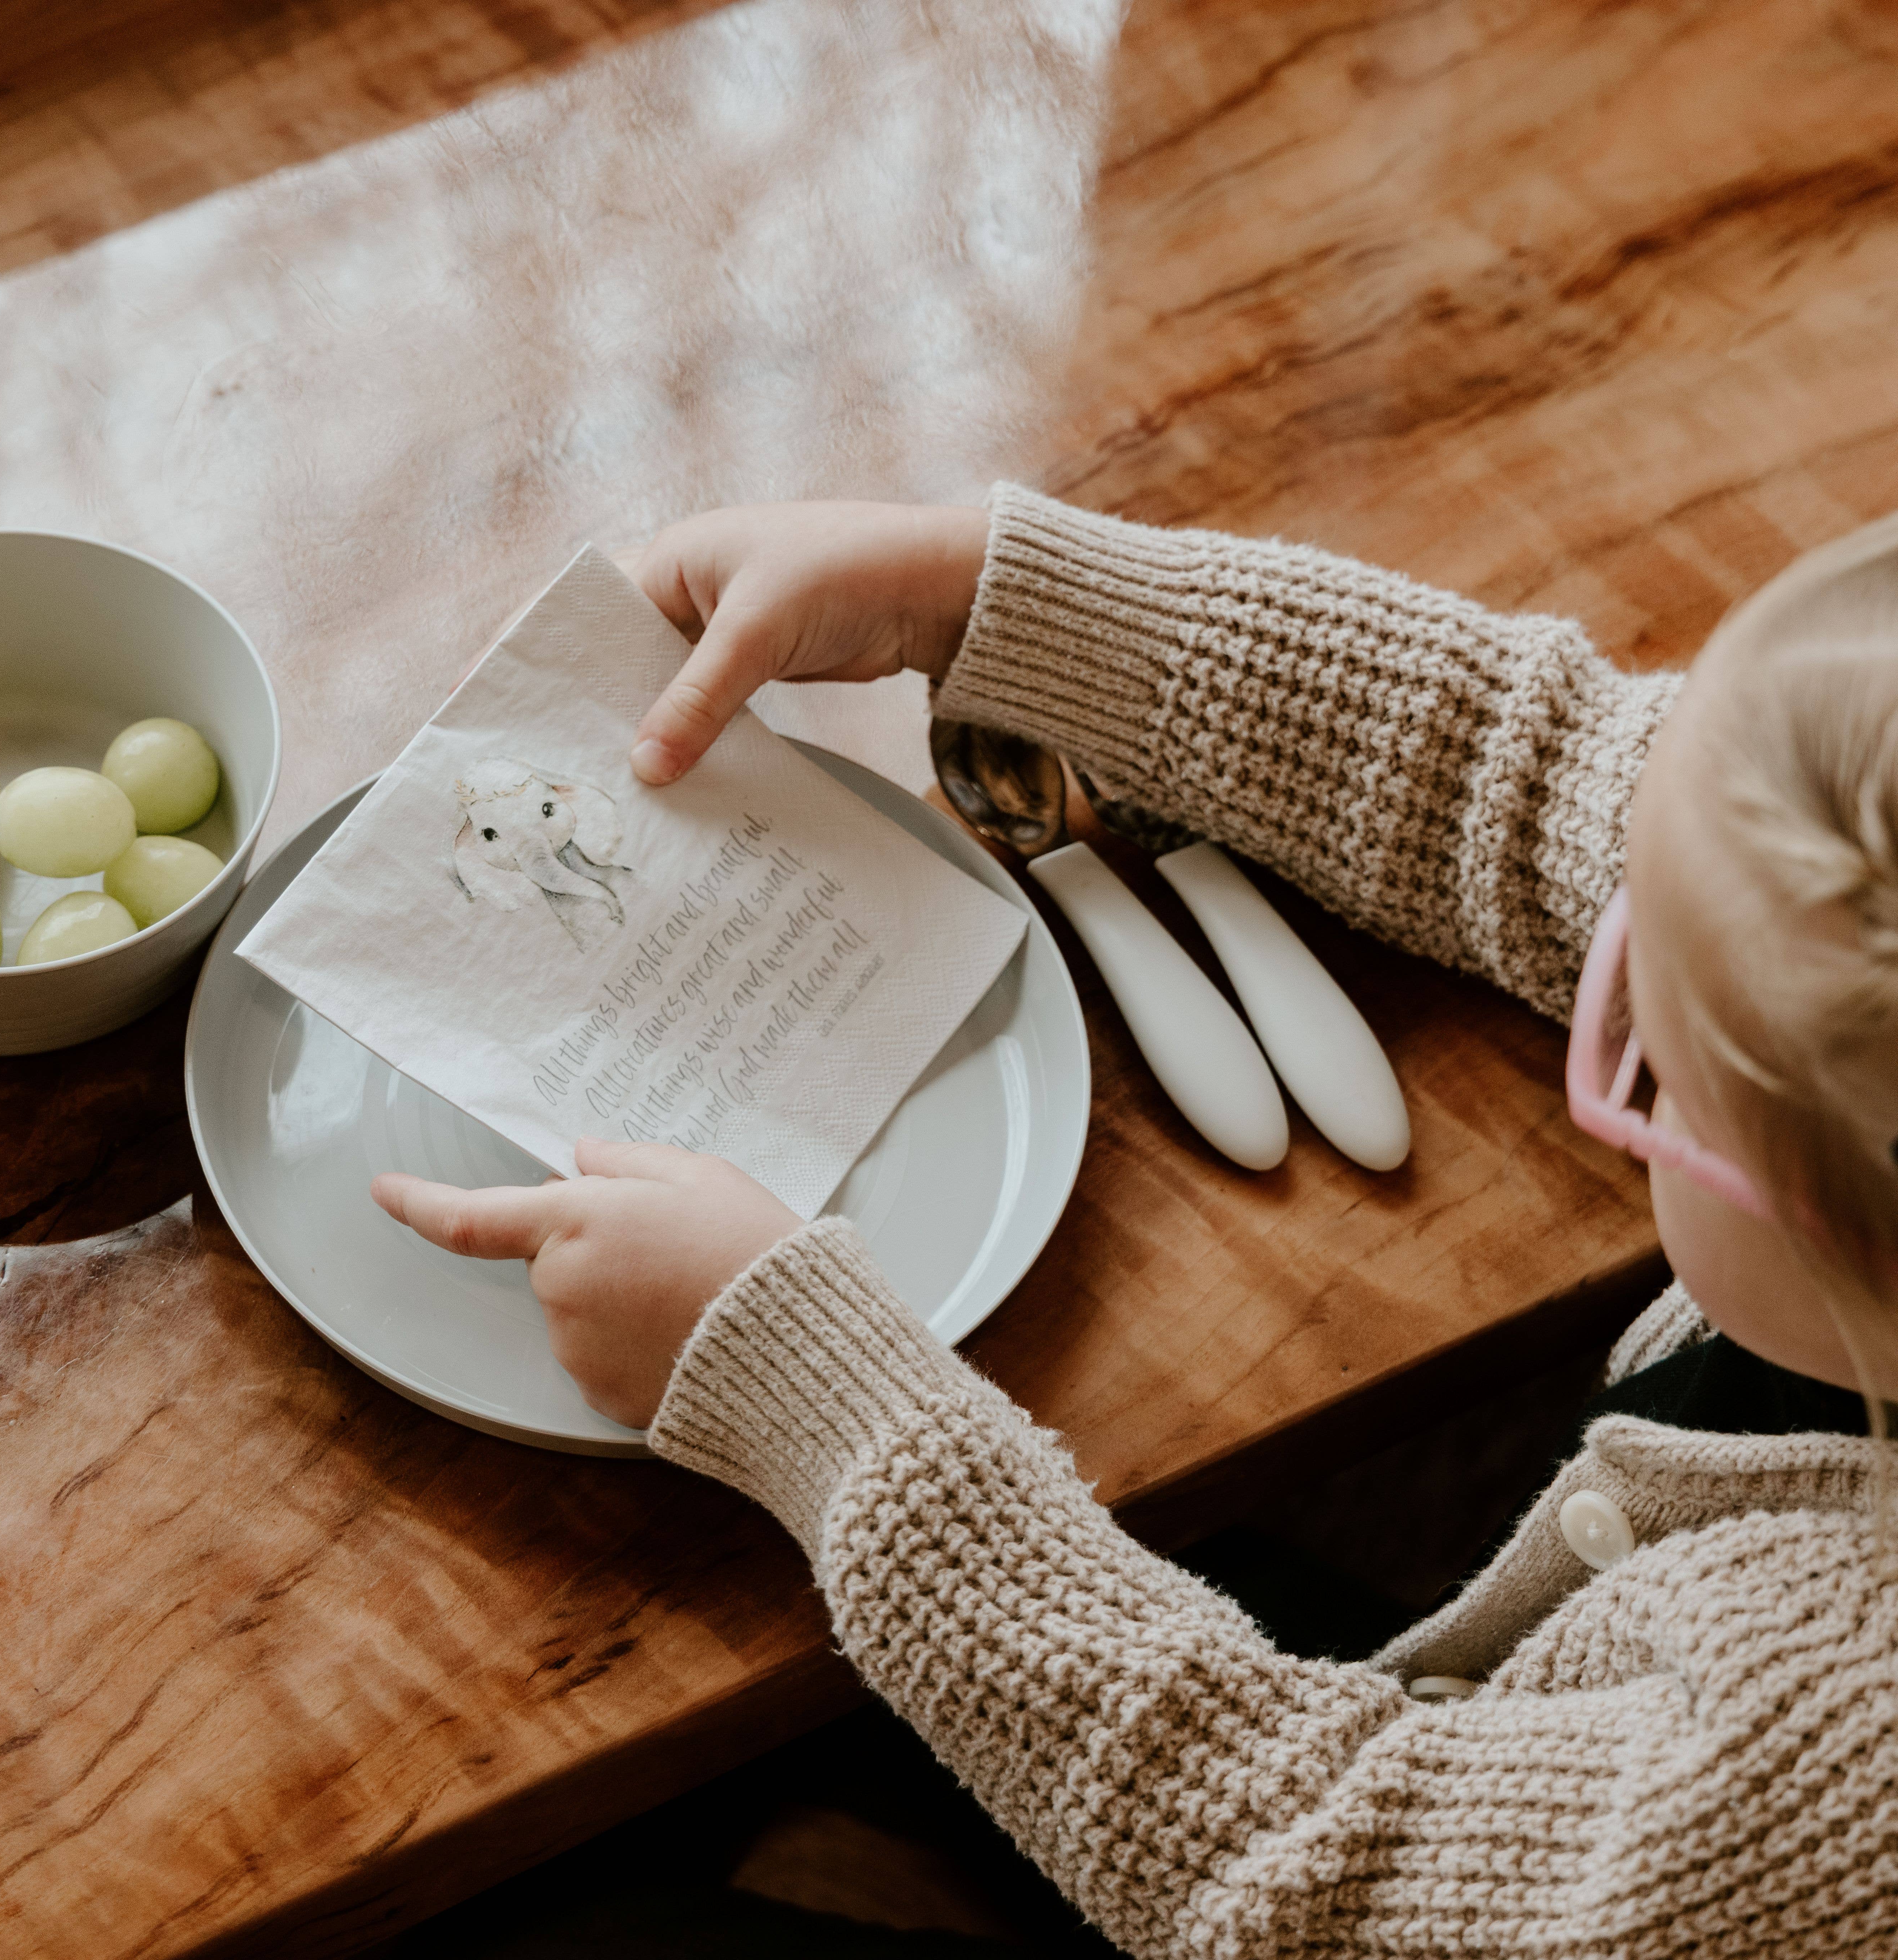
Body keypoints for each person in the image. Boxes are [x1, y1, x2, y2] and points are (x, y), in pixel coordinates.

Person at [374, 488, 1898, 1955]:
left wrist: (821, 1403)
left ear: (1820, 1209)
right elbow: (1527, 765)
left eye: (1644, 1052)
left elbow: (1291, 1874)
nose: (1603, 943)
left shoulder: (1826, 1779)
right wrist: (983, 594)